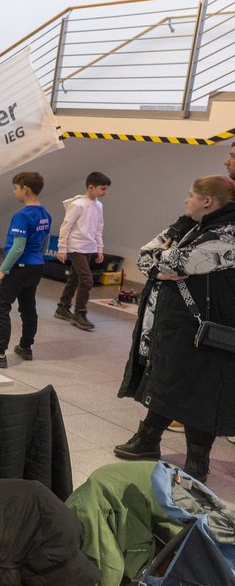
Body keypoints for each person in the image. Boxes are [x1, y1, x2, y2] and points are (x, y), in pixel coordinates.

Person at [114, 175, 235, 483]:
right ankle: (148, 440)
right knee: (169, 380)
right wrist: (161, 257)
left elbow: (173, 262)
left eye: (190, 195)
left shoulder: (228, 233)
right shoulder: (192, 226)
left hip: (207, 330)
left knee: (202, 392)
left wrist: (161, 259)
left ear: (207, 201)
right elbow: (145, 255)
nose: (185, 201)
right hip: (176, 326)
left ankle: (198, 459)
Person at [0, 172, 52, 369]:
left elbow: (17, 247)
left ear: (25, 189)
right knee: (28, 307)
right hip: (36, 266)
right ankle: (25, 346)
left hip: (19, 267)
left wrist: (3, 269)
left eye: (15, 188)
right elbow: (44, 242)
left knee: (0, 307)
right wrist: (36, 258)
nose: (14, 192)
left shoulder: (22, 216)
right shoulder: (45, 214)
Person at [55, 171, 111, 332]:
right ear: (91, 187)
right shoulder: (78, 204)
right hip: (76, 247)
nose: (104, 192)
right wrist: (62, 248)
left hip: (89, 247)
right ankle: (80, 313)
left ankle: (62, 307)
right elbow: (66, 226)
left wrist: (99, 248)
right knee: (87, 280)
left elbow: (99, 228)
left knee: (74, 278)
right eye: (102, 189)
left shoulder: (99, 205)